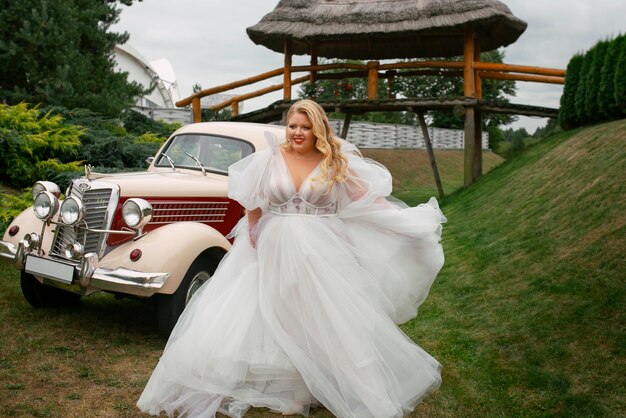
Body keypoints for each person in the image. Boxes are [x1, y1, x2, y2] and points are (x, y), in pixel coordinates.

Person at [137, 99, 446, 418]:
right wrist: (254, 229)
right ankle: (281, 383)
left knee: (316, 318)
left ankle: (305, 392)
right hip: (273, 246)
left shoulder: (333, 161)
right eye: (293, 126)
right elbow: (252, 199)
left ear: (318, 130)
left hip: (321, 248)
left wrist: (405, 222)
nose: (298, 132)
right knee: (273, 314)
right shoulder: (269, 158)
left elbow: (367, 200)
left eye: (306, 127)